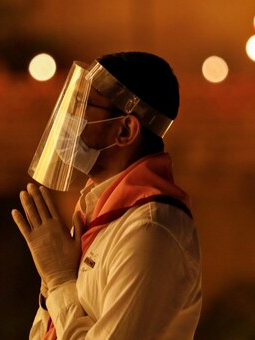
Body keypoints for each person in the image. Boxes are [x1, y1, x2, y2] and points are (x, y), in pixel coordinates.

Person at [11, 52, 202, 339]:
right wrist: (51, 286)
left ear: (124, 129)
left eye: (82, 107)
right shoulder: (99, 213)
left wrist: (60, 281)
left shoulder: (151, 229)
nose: (68, 121)